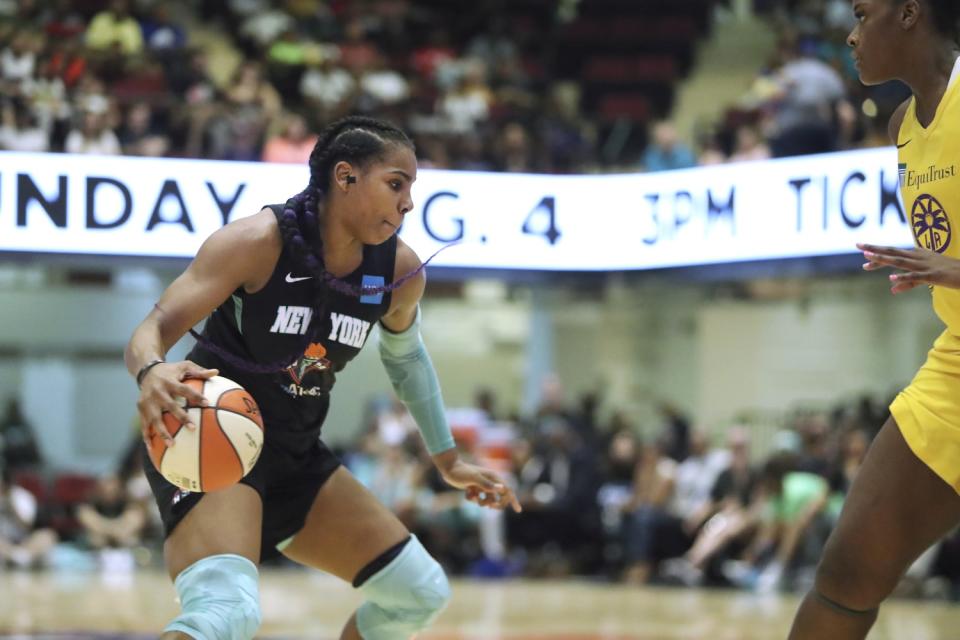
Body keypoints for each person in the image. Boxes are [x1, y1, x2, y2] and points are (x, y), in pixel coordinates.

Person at [125, 115, 521, 640]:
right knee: (227, 615)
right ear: (346, 176)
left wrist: (448, 459)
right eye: (396, 184)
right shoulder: (256, 242)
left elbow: (408, 361)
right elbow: (152, 328)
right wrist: (152, 370)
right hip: (213, 440)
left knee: (419, 593)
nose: (407, 203)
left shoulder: (399, 271)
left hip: (296, 454)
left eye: (411, 189)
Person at [789, 2, 960, 637]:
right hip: (957, 366)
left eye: (864, 13)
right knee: (848, 572)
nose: (852, 34)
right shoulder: (901, 126)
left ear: (912, 12)